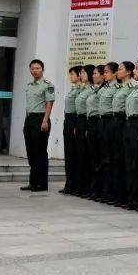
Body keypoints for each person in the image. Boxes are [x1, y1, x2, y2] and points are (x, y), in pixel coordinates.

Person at [22, 59, 55, 192]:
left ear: (42, 69)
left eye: (38, 68)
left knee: (40, 152)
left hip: (41, 119)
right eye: (33, 68)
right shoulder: (29, 85)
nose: (35, 70)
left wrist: (45, 120)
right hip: (29, 119)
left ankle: (42, 184)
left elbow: (49, 103)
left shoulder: (47, 85)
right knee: (31, 152)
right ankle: (33, 182)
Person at [123, 61, 138, 211]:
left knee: (137, 163)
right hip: (129, 123)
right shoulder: (135, 88)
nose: (135, 71)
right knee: (129, 163)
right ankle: (131, 197)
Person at [108, 62, 133, 207]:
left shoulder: (131, 87)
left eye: (121, 69)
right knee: (115, 158)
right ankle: (116, 194)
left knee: (123, 159)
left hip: (124, 120)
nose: (118, 72)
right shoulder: (119, 87)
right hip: (114, 120)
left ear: (128, 72)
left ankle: (124, 196)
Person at [96, 63, 119, 204]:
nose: (104, 74)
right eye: (103, 72)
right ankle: (103, 191)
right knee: (102, 157)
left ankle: (110, 192)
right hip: (101, 121)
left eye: (107, 72)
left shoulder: (117, 88)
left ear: (115, 73)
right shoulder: (104, 87)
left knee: (109, 158)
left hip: (110, 121)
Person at [75, 66, 97, 198]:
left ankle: (88, 187)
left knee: (87, 155)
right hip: (80, 120)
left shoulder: (93, 90)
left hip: (88, 120)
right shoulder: (83, 89)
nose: (81, 74)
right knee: (80, 154)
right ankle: (81, 186)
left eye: (83, 72)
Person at [85, 66, 106, 200]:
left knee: (99, 158)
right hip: (91, 122)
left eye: (96, 73)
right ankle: (93, 189)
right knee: (92, 157)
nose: (93, 76)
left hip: (99, 122)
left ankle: (99, 190)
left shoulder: (104, 90)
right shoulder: (96, 89)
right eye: (92, 74)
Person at [59, 66, 81, 195]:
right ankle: (69, 183)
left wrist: (75, 126)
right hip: (67, 120)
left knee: (73, 155)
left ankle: (73, 184)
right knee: (68, 154)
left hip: (73, 121)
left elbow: (78, 110)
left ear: (79, 76)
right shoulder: (73, 90)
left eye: (73, 74)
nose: (70, 76)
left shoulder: (79, 91)